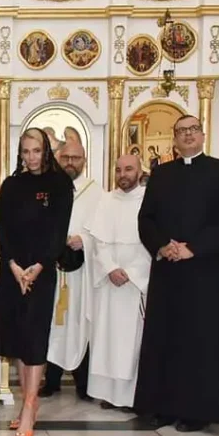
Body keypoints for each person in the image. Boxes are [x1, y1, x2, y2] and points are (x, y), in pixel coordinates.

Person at [134, 115, 219, 432]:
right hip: (168, 271)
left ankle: (198, 411)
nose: (188, 135)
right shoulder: (161, 174)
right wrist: (162, 245)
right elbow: (146, 219)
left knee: (200, 340)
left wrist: (193, 248)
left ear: (203, 135)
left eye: (193, 130)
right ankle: (162, 407)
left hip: (205, 272)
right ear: (174, 139)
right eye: (181, 131)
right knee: (165, 339)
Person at [0, 129, 74, 436]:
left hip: (41, 270)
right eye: (26, 151)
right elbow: (3, 230)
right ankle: (26, 399)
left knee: (35, 336)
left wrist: (38, 266)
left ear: (46, 152)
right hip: (13, 270)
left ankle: (30, 405)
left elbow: (58, 231)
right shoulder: (11, 185)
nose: (31, 157)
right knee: (17, 335)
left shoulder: (59, 184)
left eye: (36, 151)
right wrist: (14, 266)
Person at [85, 155, 151, 410]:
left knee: (131, 342)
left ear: (139, 171)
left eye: (129, 169)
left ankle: (130, 397)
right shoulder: (106, 200)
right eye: (119, 170)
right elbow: (98, 242)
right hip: (110, 281)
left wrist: (132, 272)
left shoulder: (148, 200)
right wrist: (110, 268)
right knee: (107, 340)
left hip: (134, 283)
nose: (123, 174)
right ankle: (108, 394)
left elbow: (151, 242)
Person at [44, 134, 104, 400]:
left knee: (80, 322)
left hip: (82, 271)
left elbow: (104, 231)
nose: (70, 162)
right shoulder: (48, 188)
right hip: (52, 268)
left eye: (75, 158)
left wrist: (85, 240)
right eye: (65, 157)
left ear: (84, 160)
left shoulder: (97, 192)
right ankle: (51, 380)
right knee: (52, 322)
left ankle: (83, 383)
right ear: (58, 159)